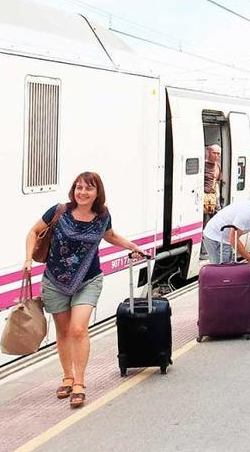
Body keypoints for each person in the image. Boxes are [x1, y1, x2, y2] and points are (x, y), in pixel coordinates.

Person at [24, 172, 149, 408]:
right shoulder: (58, 211)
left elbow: (110, 236)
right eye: (78, 187)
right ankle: (67, 377)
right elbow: (33, 232)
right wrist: (28, 259)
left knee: (78, 328)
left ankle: (79, 383)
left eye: (88, 189)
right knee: (63, 331)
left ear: (97, 193)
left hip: (88, 279)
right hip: (54, 280)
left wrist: (133, 247)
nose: (82, 192)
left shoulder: (102, 217)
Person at [203, 193, 250, 267]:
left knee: (228, 266)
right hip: (215, 236)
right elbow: (233, 238)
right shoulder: (246, 212)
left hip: (226, 237)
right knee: (222, 270)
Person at [204, 144, 224, 219]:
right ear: (209, 153)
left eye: (218, 153)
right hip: (203, 196)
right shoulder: (203, 165)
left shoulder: (217, 166)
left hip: (213, 196)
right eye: (214, 153)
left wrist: (217, 196)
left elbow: (217, 181)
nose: (216, 156)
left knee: (217, 217)